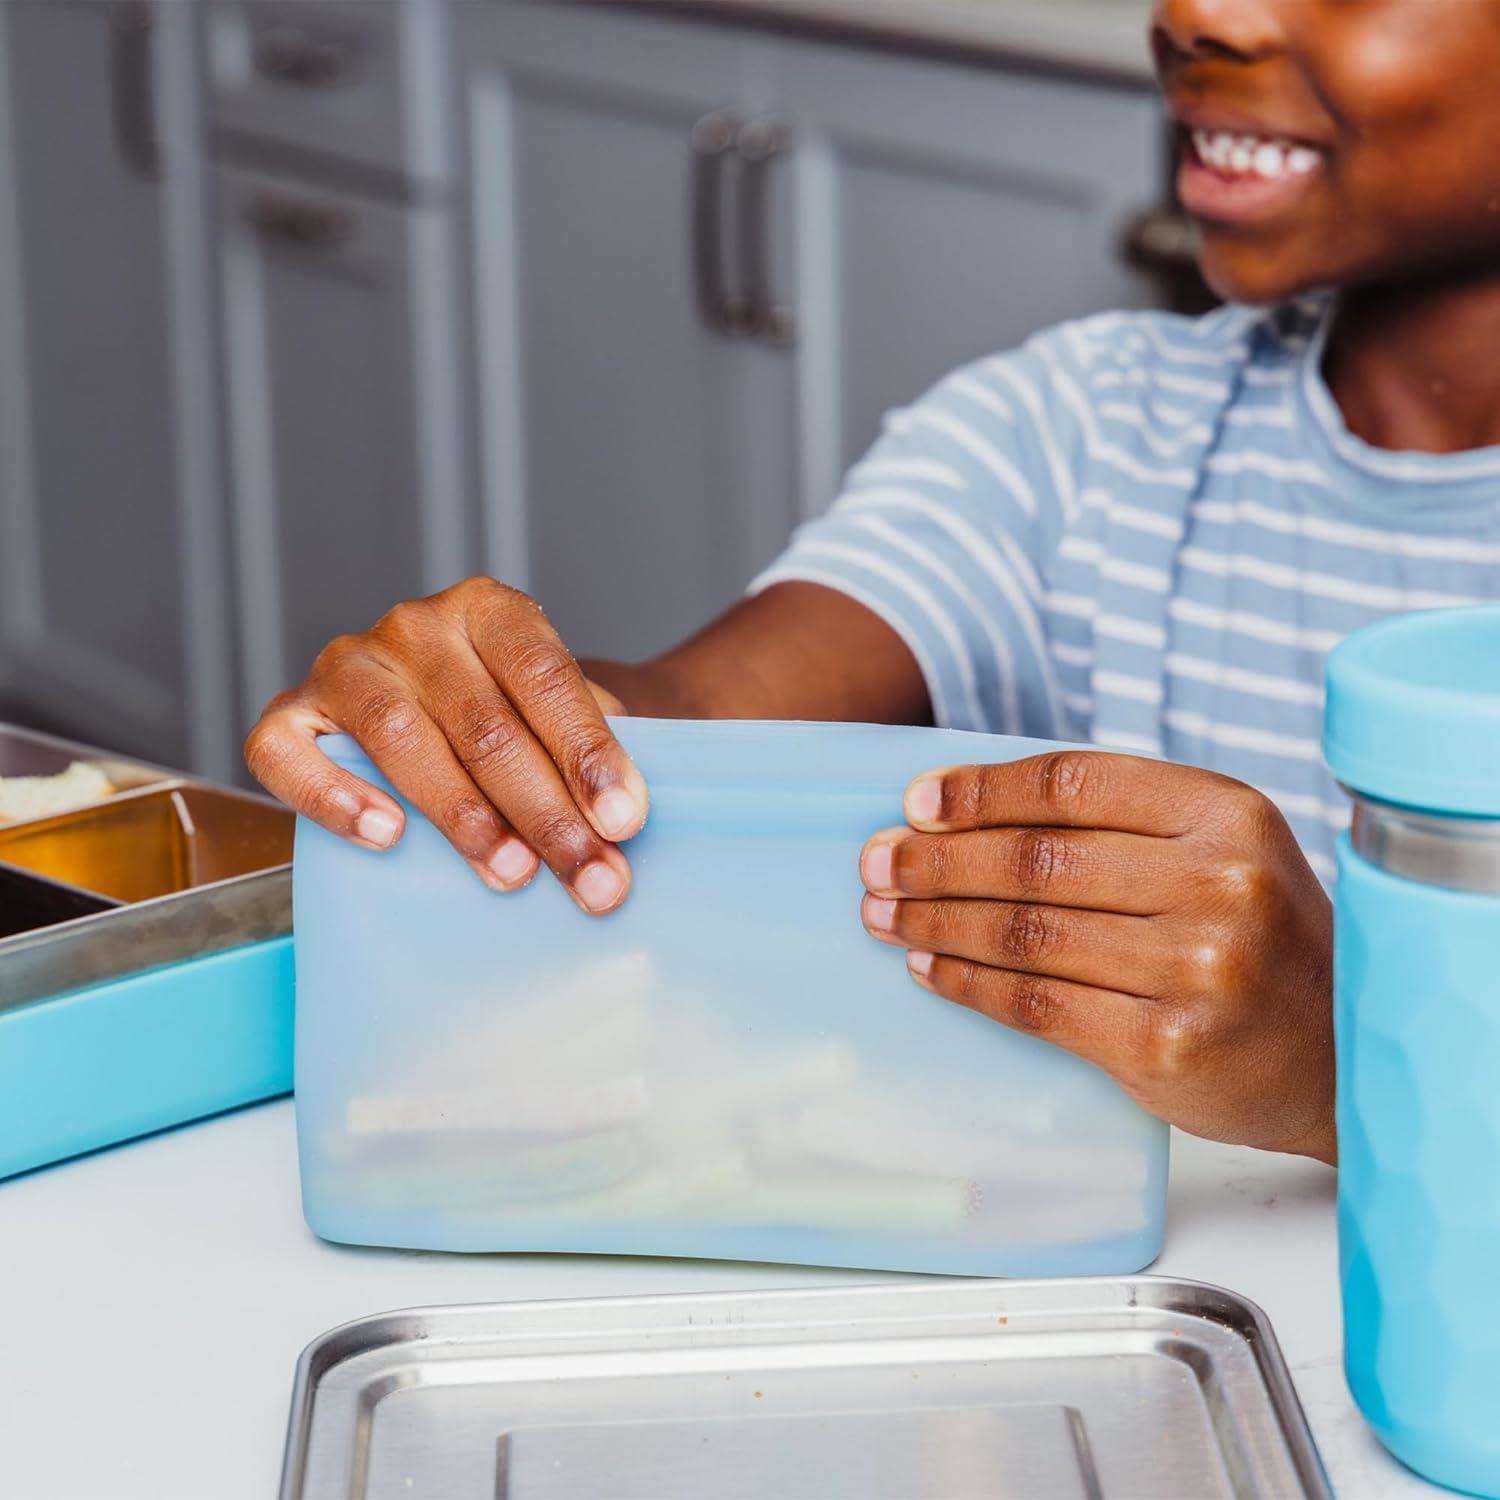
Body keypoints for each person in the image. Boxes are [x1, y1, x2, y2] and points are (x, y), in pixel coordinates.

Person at [247, 0, 1500, 1170]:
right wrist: (498, 715)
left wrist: (1353, 1062)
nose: (1197, 17)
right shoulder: (1085, 428)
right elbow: (690, 714)